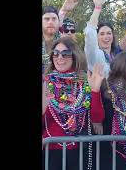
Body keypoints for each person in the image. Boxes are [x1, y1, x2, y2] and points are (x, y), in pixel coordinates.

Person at [42, 37, 105, 170]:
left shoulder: (84, 82)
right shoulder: (45, 83)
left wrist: (95, 90)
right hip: (51, 152)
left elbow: (97, 119)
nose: (60, 57)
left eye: (65, 53)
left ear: (75, 56)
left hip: (79, 150)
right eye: (56, 53)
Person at [95, 52, 126, 170]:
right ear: (124, 69)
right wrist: (95, 90)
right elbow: (97, 119)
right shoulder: (107, 92)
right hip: (111, 156)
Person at [84, 0, 122, 78]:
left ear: (113, 36)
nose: (106, 37)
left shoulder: (116, 55)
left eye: (109, 33)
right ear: (96, 37)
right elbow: (90, 33)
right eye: (102, 34)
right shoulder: (95, 54)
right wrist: (97, 8)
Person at [42, 0, 78, 75]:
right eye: (46, 19)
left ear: (59, 23)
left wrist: (64, 10)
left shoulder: (65, 42)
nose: (50, 22)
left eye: (54, 19)